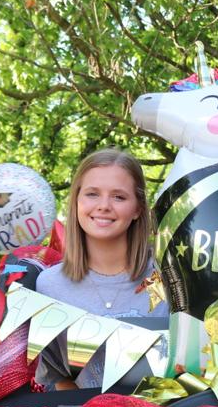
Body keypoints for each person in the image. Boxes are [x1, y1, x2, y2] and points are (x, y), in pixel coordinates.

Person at [35, 149, 166, 388]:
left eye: (119, 197)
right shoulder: (48, 286)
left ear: (137, 208)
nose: (104, 206)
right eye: (92, 194)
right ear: (76, 201)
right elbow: (56, 377)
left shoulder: (170, 277)